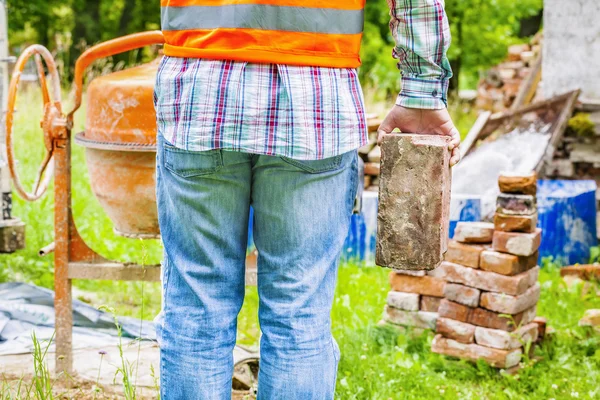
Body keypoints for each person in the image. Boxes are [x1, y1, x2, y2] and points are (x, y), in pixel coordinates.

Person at [154, 0, 460, 398]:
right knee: (298, 313)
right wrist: (421, 90)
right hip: (316, 101)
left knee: (197, 308)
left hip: (201, 93)